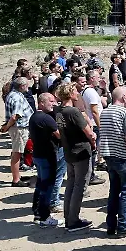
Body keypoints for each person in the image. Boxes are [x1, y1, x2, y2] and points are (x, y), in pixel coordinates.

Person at [55, 83, 97, 232]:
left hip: (68, 151)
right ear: (70, 94)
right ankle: (73, 221)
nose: (77, 94)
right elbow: (89, 132)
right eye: (75, 91)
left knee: (71, 185)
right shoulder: (73, 111)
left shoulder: (58, 110)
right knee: (79, 186)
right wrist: (94, 139)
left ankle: (69, 217)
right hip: (81, 152)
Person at [99, 87, 126, 237]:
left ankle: (111, 225)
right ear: (123, 97)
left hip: (110, 156)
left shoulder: (105, 112)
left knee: (114, 191)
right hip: (123, 157)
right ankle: (124, 225)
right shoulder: (125, 112)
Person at [29, 92, 61, 227]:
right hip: (47, 156)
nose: (53, 104)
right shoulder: (46, 118)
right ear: (41, 103)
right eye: (51, 101)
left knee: (41, 185)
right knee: (47, 187)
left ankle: (37, 212)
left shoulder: (34, 117)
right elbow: (59, 135)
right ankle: (44, 216)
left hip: (38, 155)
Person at [0, 77, 34, 187]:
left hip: (18, 128)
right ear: (22, 86)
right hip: (19, 128)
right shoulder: (17, 97)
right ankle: (16, 180)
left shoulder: (13, 94)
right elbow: (16, 116)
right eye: (27, 85)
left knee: (18, 152)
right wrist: (7, 127)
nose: (28, 87)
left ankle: (17, 175)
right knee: (17, 153)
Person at [78, 73, 106, 186]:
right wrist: (100, 126)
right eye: (98, 77)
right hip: (94, 124)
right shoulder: (90, 92)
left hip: (91, 123)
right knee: (93, 151)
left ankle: (90, 175)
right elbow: (95, 111)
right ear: (92, 78)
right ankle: (90, 176)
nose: (99, 79)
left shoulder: (87, 91)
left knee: (93, 151)